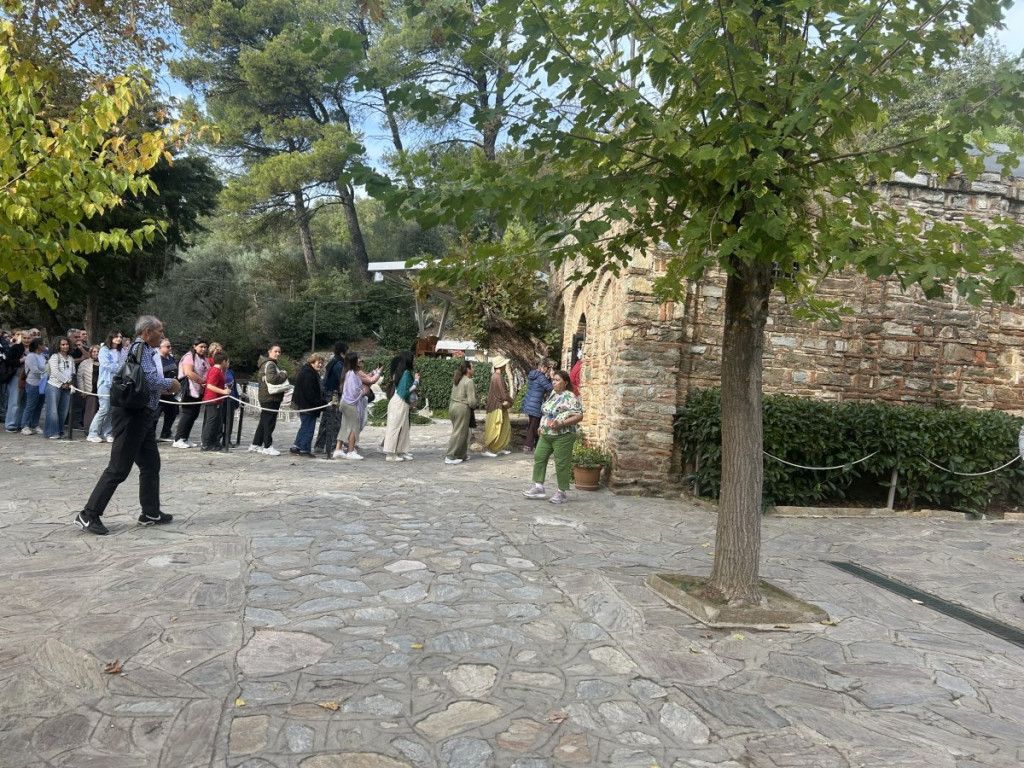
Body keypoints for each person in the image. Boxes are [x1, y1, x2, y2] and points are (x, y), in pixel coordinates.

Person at [74, 316, 181, 535]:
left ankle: (150, 512)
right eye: (160, 331)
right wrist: (170, 383)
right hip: (132, 415)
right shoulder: (141, 350)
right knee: (118, 468)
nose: (162, 335)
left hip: (142, 415)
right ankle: (88, 514)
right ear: (148, 332)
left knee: (151, 464)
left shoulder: (141, 349)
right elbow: (149, 381)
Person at [523, 369, 584, 504]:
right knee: (539, 456)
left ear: (565, 382)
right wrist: (541, 425)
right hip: (547, 434)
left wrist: (562, 423)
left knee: (561, 463)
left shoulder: (570, 397)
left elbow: (579, 416)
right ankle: (539, 487)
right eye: (553, 380)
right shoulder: (553, 394)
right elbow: (547, 412)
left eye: (557, 380)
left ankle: (562, 492)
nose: (554, 382)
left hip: (563, 435)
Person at [333, 352, 376, 460]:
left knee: (345, 426)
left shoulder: (349, 373)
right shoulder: (352, 374)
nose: (360, 360)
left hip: (346, 402)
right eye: (358, 359)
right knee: (354, 427)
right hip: (351, 403)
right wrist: (363, 391)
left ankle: (338, 449)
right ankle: (351, 451)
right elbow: (354, 391)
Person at [250, 343, 288, 456]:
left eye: (279, 352)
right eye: (275, 351)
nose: (278, 354)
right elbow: (272, 379)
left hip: (266, 397)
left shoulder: (266, 363)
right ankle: (267, 446)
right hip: (270, 397)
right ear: (269, 352)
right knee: (269, 423)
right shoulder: (270, 364)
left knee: (264, 421)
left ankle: (255, 444)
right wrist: (283, 374)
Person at [382, 351, 419, 462]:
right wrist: (416, 382)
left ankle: (400, 451)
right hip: (399, 402)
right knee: (395, 428)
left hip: (400, 403)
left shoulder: (402, 372)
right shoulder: (406, 373)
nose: (415, 360)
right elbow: (404, 392)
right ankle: (390, 454)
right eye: (414, 358)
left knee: (403, 428)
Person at [88, 330, 124, 443]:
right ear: (111, 338)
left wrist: (119, 367)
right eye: (116, 336)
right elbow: (105, 364)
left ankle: (107, 432)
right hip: (105, 382)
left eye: (120, 337)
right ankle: (93, 433)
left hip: (117, 383)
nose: (119, 338)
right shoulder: (104, 350)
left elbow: (124, 364)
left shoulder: (122, 351)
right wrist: (119, 367)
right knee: (104, 408)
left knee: (112, 409)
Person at [173, 338, 209, 448]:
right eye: (201, 347)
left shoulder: (203, 358)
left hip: (199, 390)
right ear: (194, 346)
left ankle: (185, 437)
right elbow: (188, 372)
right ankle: (178, 438)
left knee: (194, 414)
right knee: (187, 414)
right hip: (189, 389)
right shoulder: (189, 357)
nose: (203, 349)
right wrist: (202, 381)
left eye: (205, 347)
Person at [290, 353, 325, 457]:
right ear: (312, 362)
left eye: (321, 363)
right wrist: (319, 403)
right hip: (307, 405)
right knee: (308, 427)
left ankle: (297, 446)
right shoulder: (309, 374)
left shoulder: (308, 371)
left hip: (305, 404)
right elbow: (309, 393)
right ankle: (304, 449)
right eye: (318, 362)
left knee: (305, 425)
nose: (320, 365)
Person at [315, 340, 347, 455]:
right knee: (334, 421)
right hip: (334, 395)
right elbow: (341, 380)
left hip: (327, 393)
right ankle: (332, 446)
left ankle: (320, 445)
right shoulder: (339, 364)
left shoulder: (333, 362)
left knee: (326, 421)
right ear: (342, 353)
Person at [445, 360, 477, 465]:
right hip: (462, 408)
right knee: (459, 433)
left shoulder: (458, 379)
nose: (474, 369)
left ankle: (461, 454)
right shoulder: (469, 381)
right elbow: (472, 401)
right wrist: (476, 403)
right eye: (472, 367)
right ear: (468, 369)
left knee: (463, 432)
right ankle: (450, 456)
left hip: (453, 406)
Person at [43, 336, 75, 439]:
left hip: (67, 387)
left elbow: (73, 372)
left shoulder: (70, 358)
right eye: (63, 344)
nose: (65, 346)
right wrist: (65, 381)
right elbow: (55, 372)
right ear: (58, 346)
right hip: (54, 385)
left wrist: (70, 382)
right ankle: (51, 432)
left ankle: (60, 431)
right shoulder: (54, 357)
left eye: (67, 344)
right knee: (53, 410)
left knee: (63, 410)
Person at [482, 355, 513, 457]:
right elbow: (503, 393)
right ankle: (487, 449)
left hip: (499, 406)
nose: (505, 366)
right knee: (494, 429)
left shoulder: (496, 376)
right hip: (496, 407)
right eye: (504, 364)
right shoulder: (497, 377)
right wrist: (511, 401)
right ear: (500, 366)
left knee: (502, 428)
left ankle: (497, 448)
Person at [200, 350, 231, 451]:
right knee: (211, 422)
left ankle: (213, 442)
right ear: (224, 361)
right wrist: (223, 391)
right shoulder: (215, 371)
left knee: (216, 423)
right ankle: (206, 443)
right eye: (227, 361)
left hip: (216, 400)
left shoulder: (217, 371)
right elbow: (210, 385)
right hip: (213, 400)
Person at [521, 357, 553, 453]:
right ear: (543, 367)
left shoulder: (533, 374)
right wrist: (552, 377)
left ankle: (536, 445)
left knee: (534, 425)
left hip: (529, 403)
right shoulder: (541, 377)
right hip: (535, 404)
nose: (547, 370)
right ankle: (528, 446)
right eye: (547, 368)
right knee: (533, 426)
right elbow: (550, 388)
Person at [19, 339, 47, 435]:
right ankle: (24, 425)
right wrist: (45, 374)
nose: (45, 346)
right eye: (43, 344)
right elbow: (34, 370)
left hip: (42, 384)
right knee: (30, 405)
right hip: (33, 384)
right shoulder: (31, 356)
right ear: (38, 346)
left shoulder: (42, 356)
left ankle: (35, 425)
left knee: (39, 406)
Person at [154, 339, 178, 440]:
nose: (170, 348)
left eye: (170, 346)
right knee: (155, 415)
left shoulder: (171, 358)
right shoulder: (157, 360)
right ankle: (151, 434)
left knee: (172, 412)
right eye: (167, 346)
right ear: (160, 348)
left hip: (171, 391)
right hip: (161, 391)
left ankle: (166, 432)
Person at [3, 329, 26, 433]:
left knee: (25, 402)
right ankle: (11, 424)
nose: (27, 340)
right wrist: (20, 360)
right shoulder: (16, 347)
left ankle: (21, 423)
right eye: (24, 337)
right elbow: (8, 362)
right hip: (17, 376)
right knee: (14, 401)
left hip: (30, 378)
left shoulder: (34, 348)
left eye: (29, 338)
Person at [77, 344, 100, 435]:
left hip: (101, 390)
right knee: (90, 411)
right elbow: (80, 377)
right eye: (94, 352)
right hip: (90, 391)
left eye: (98, 352)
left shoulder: (104, 363)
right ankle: (88, 430)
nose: (96, 353)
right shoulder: (85, 363)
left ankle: (98, 430)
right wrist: (82, 390)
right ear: (90, 352)